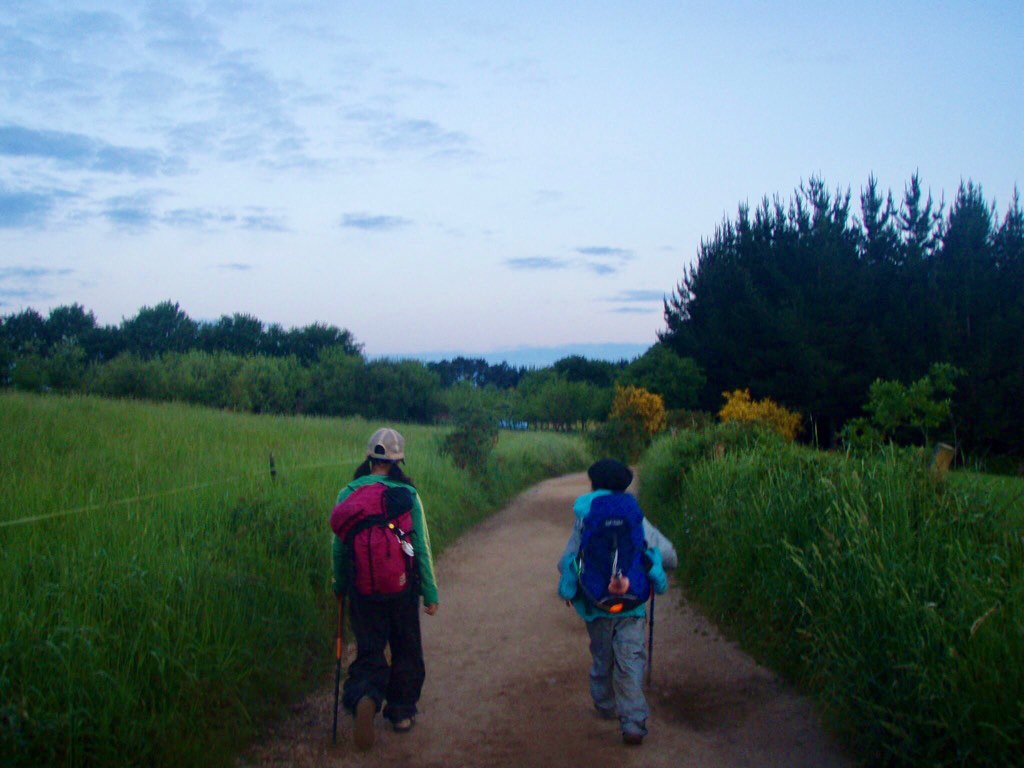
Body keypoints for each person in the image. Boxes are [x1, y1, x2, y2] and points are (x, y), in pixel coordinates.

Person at [330, 427, 439, 751]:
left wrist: (340, 584)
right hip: (402, 589)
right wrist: (430, 593)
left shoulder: (348, 493)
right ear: (397, 461)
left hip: (362, 589)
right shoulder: (407, 495)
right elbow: (421, 547)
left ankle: (366, 695)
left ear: (369, 457)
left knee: (369, 647)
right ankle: (402, 711)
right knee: (406, 646)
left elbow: (338, 548)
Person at [557, 458, 677, 746]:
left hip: (597, 604)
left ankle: (605, 704)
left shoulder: (586, 514)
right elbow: (667, 553)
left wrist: (570, 587)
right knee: (630, 660)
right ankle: (633, 722)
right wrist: (659, 566)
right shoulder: (632, 514)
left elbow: (568, 560)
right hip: (632, 604)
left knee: (603, 657)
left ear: (594, 484)